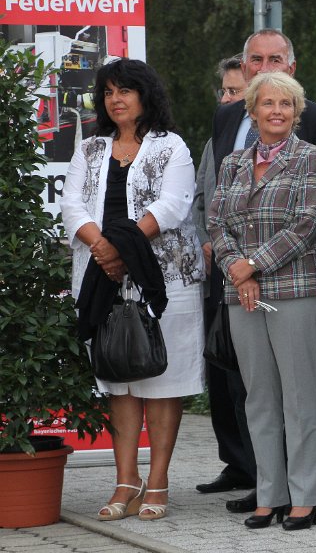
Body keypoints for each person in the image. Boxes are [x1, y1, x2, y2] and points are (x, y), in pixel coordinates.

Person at [202, 28, 316, 515]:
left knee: (300, 399)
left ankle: (304, 498)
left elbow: (308, 223)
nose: (277, 111)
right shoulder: (233, 164)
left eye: (286, 104)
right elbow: (217, 222)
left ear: (297, 111)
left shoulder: (312, 157)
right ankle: (270, 496)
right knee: (259, 399)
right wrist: (236, 271)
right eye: (268, 103)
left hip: (295, 292)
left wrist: (251, 265)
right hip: (241, 295)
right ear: (252, 110)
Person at [61, 58, 205, 521]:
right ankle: (126, 482)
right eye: (108, 92)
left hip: (165, 278)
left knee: (162, 383)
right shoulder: (90, 148)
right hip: (101, 276)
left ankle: (157, 482)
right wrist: (103, 249)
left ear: (145, 95)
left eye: (124, 90)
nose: (115, 99)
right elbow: (72, 205)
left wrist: (121, 248)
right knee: (119, 379)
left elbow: (173, 205)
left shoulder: (171, 146)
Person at [191, 55, 255, 496]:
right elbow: (200, 197)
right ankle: (235, 462)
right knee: (220, 369)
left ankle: (260, 467)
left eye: (236, 92)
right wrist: (206, 240)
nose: (228, 99)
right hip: (218, 268)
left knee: (251, 376)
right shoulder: (217, 138)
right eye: (225, 91)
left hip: (258, 271)